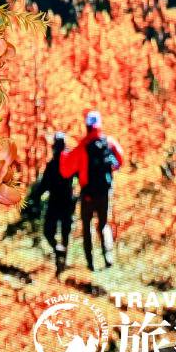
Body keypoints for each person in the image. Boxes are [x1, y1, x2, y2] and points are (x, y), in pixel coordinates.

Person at [60, 110, 125, 270]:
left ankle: (90, 263)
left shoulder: (83, 146)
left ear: (87, 126)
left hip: (88, 194)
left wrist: (62, 153)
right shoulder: (109, 142)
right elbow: (119, 161)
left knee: (87, 227)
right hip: (105, 192)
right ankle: (108, 257)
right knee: (103, 225)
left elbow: (66, 171)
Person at [27, 132, 78, 277]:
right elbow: (81, 177)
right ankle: (61, 261)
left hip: (55, 202)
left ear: (55, 146)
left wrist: (35, 197)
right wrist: (79, 195)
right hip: (68, 202)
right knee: (65, 233)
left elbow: (44, 185)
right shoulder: (70, 163)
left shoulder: (52, 164)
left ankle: (58, 255)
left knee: (49, 232)